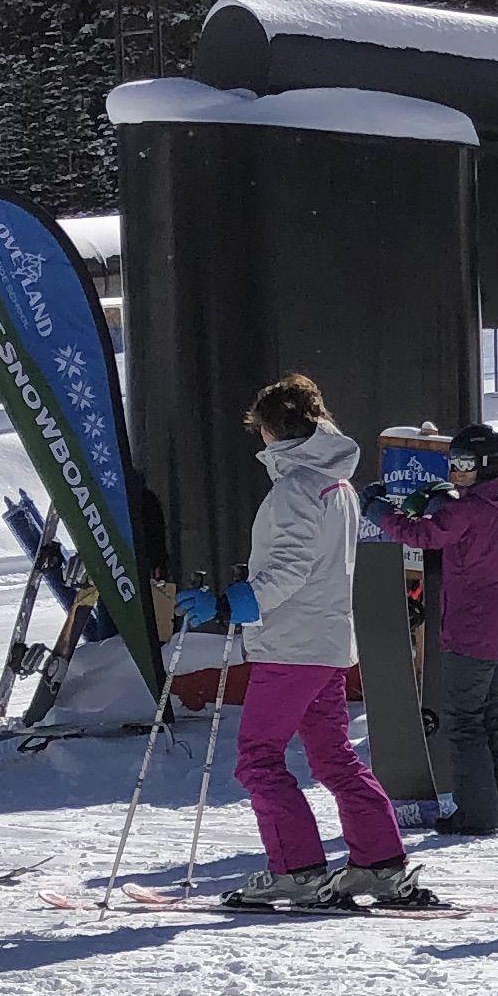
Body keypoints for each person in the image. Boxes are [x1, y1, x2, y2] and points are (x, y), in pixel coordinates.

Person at [206, 373, 433, 916]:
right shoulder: (337, 484)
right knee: (333, 757)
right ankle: (381, 863)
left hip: (292, 645)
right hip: (327, 643)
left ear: (270, 431)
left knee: (259, 759)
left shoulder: (297, 487)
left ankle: (297, 871)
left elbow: (290, 566)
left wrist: (238, 601)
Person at [374, 423, 498, 839]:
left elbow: (421, 534)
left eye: (463, 463)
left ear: (486, 466)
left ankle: (477, 815)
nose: (455, 471)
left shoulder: (466, 511)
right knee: (494, 719)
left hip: (472, 634)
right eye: (452, 462)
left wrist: (380, 513)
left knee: (466, 723)